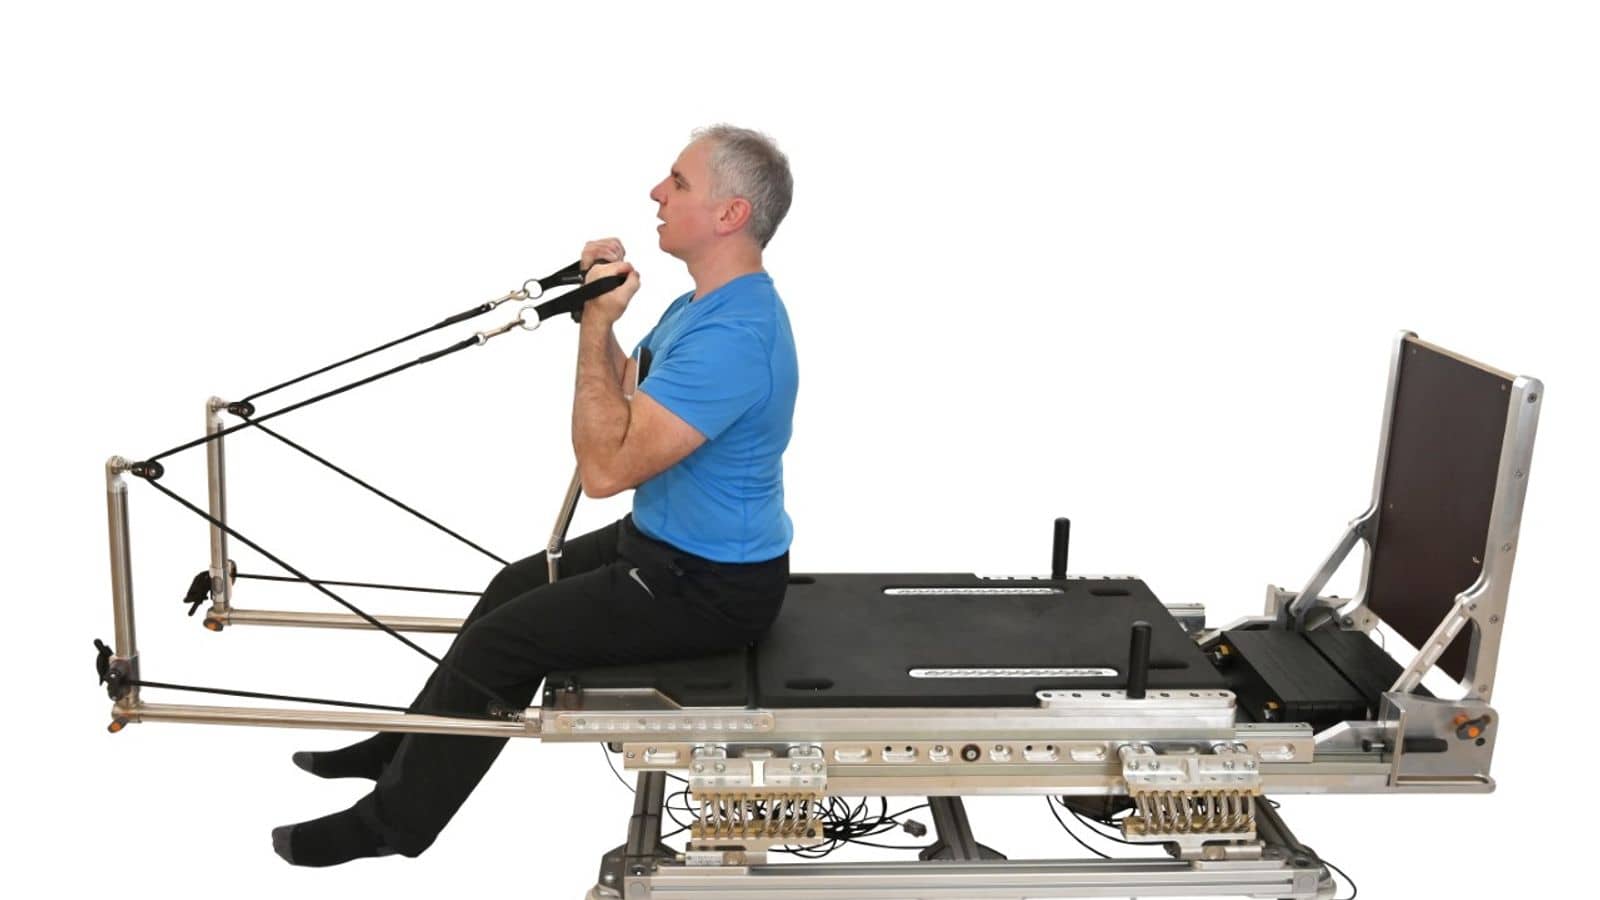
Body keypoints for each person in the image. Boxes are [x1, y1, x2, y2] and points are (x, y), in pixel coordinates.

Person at [272, 124, 798, 867]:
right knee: (511, 586)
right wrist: (596, 315)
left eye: (678, 182)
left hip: (709, 586)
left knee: (503, 645)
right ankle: (401, 747)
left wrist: (592, 328)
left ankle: (389, 825)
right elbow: (629, 397)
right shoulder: (702, 307)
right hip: (665, 545)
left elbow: (605, 472)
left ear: (730, 214)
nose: (656, 193)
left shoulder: (734, 336)